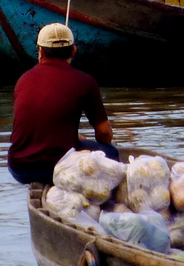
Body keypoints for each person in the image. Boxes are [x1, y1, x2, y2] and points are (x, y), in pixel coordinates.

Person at [7, 23, 117, 185]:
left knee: (81, 142)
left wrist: (76, 139)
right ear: (74, 51)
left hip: (19, 168)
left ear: (40, 52)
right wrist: (100, 156)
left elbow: (37, 125)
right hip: (60, 168)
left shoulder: (23, 80)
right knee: (111, 152)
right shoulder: (85, 81)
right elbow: (104, 133)